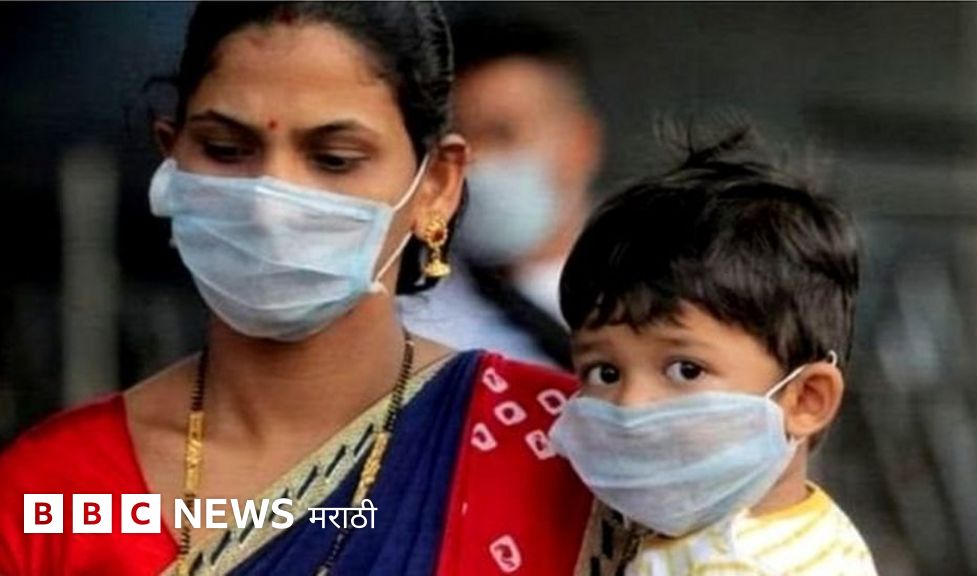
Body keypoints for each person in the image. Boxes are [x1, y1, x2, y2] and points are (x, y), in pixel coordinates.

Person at [0, 3, 592, 575]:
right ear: (171, 163)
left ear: (437, 185)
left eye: (334, 158)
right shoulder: (56, 496)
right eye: (225, 150)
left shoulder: (565, 450)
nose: (270, 204)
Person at [549, 127, 879, 575]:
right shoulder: (812, 533)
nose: (630, 404)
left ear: (806, 399)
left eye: (685, 369)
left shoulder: (734, 565)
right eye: (605, 372)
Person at [401, 10, 603, 369]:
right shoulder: (410, 327)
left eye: (501, 134)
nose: (475, 161)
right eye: (456, 139)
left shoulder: (675, 290)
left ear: (580, 143)